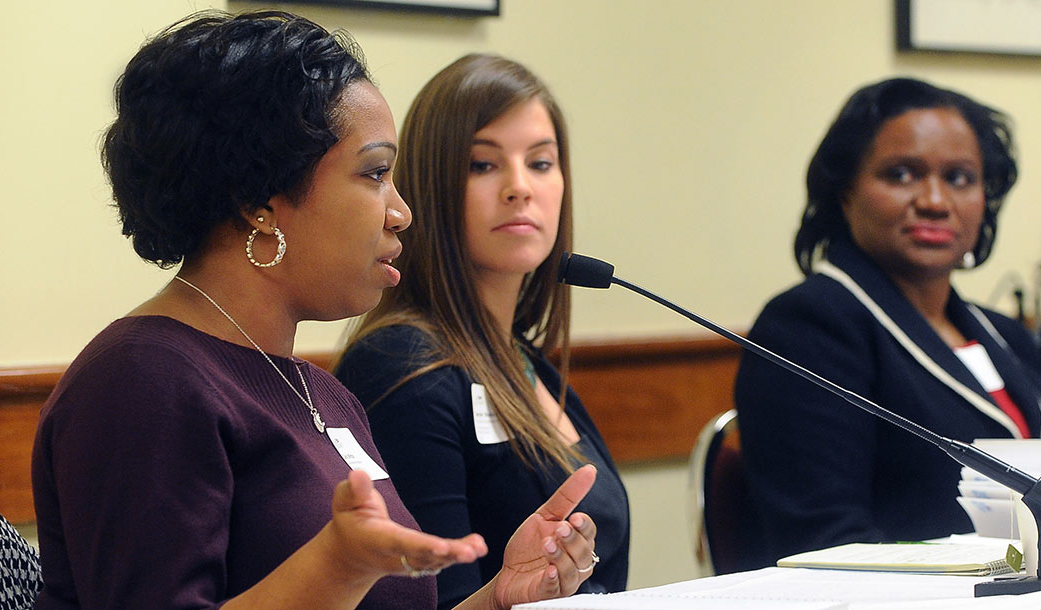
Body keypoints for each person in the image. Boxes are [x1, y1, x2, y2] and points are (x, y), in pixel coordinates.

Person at [31, 12, 600, 610]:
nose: (401, 212)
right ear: (260, 201)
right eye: (376, 173)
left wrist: (498, 599)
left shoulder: (323, 393)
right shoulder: (142, 381)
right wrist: (335, 567)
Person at [733, 77, 1041, 568]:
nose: (935, 200)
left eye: (959, 178)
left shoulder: (1007, 335)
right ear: (845, 192)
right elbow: (827, 545)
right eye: (902, 174)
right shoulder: (808, 327)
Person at [334, 54, 629, 607]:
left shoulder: (523, 358)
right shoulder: (404, 365)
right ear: (429, 184)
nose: (520, 187)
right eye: (483, 165)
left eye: (540, 163)